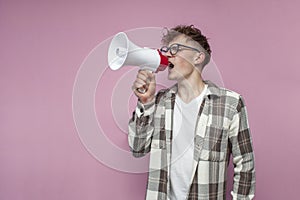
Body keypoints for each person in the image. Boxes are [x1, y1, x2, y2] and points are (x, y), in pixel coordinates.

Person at [128, 25, 255, 200]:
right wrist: (146, 102)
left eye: (175, 49)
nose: (167, 55)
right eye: (166, 50)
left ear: (198, 57)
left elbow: (245, 165)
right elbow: (137, 149)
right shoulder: (158, 102)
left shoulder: (230, 104)